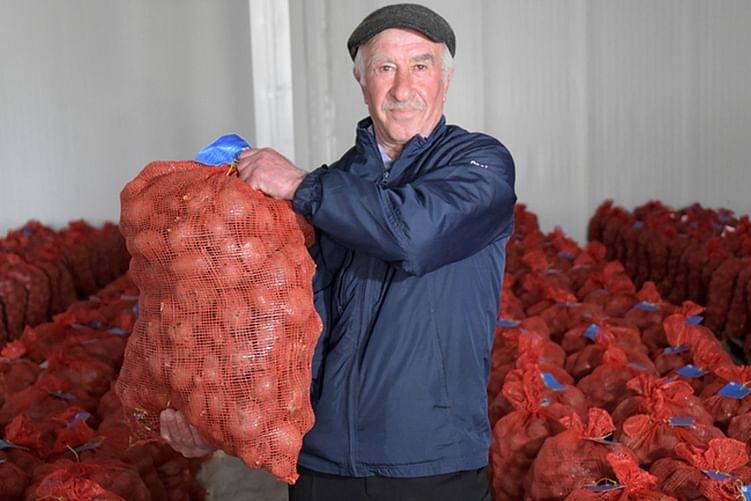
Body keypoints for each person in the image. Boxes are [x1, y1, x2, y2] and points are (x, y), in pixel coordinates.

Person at [160, 3, 516, 500]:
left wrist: (302, 183)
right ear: (361, 79)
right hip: (321, 466)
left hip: (430, 462)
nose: (402, 86)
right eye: (384, 67)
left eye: (421, 64)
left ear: (445, 79)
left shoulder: (479, 164)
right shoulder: (335, 184)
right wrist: (218, 418)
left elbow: (411, 234)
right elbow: (279, 319)